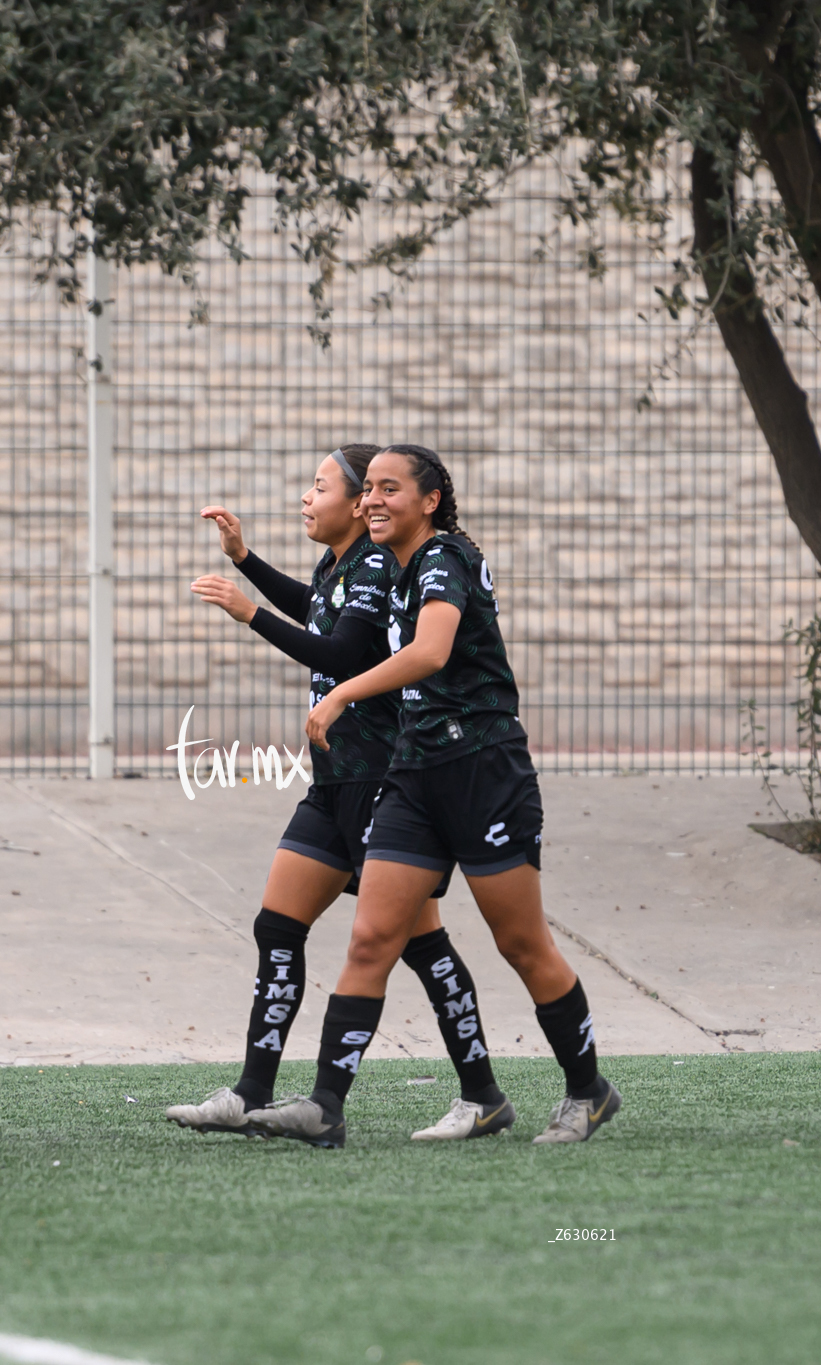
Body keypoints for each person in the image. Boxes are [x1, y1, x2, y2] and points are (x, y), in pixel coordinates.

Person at [253, 443, 621, 1147]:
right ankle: (324, 1107)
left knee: (521, 942)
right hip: (414, 774)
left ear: (429, 500)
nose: (375, 499)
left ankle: (588, 1090)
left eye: (392, 488)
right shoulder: (384, 570)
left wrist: (340, 698)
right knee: (371, 938)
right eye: (370, 490)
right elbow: (341, 631)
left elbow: (430, 652)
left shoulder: (444, 557)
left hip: (484, 771)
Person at [169, 446, 510, 1144]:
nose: (306, 496)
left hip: (384, 785)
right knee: (277, 926)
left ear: (357, 504)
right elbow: (316, 607)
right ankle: (251, 1092)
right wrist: (246, 561)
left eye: (319, 486)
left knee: (421, 946)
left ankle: (479, 1092)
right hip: (332, 786)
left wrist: (249, 614)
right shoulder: (338, 567)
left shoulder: (382, 565)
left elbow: (345, 653)